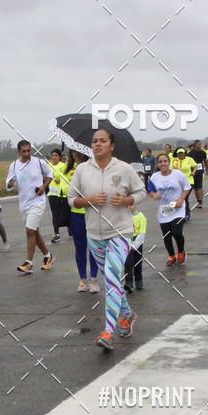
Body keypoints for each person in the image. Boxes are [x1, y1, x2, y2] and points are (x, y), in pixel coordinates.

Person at [67, 128, 145, 350]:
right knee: (111, 281)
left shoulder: (124, 168)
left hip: (120, 231)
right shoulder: (82, 170)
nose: (97, 144)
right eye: (94, 141)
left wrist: (127, 200)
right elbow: (71, 200)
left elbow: (141, 193)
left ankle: (108, 332)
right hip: (94, 234)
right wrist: (89, 199)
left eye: (102, 141)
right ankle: (127, 315)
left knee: (111, 279)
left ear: (112, 145)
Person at [6, 140, 54, 274]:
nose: (27, 153)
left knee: (29, 231)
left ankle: (28, 263)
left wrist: (44, 187)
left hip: (38, 201)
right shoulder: (14, 165)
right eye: (24, 151)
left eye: (29, 150)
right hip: (24, 203)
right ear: (18, 152)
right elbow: (9, 184)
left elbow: (50, 175)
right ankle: (48, 256)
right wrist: (10, 184)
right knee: (34, 231)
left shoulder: (39, 162)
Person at [61, 150, 99, 292]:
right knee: (80, 247)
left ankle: (94, 279)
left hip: (92, 212)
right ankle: (83, 279)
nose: (75, 153)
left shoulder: (93, 168)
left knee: (94, 246)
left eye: (78, 151)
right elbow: (65, 190)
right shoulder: (68, 169)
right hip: (76, 213)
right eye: (72, 151)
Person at [147, 153, 191, 266]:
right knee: (166, 235)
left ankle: (181, 252)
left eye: (165, 161)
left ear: (169, 162)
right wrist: (153, 195)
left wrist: (181, 199)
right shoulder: (154, 177)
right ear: (157, 164)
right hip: (164, 210)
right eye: (160, 161)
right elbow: (150, 190)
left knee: (176, 231)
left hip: (178, 208)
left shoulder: (177, 174)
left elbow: (187, 187)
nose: (163, 163)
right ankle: (171, 256)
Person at [124, 208, 147, 292]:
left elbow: (142, 233)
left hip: (137, 245)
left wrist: (135, 245)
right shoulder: (123, 216)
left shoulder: (141, 217)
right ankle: (129, 283)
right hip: (127, 244)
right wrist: (128, 244)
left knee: (138, 263)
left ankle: (139, 281)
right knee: (128, 263)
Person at [47, 149, 67, 243]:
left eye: (56, 156)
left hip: (62, 193)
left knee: (64, 212)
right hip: (52, 193)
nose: (54, 157)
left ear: (59, 157)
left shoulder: (63, 166)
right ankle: (57, 234)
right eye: (53, 155)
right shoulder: (48, 166)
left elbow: (67, 178)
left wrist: (60, 180)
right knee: (54, 214)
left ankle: (70, 229)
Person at [171, 148, 196, 220]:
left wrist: (193, 171)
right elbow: (170, 169)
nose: (181, 154)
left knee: (185, 197)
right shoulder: (174, 160)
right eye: (179, 153)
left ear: (184, 153)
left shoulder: (189, 159)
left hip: (189, 181)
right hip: (178, 182)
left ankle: (187, 214)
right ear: (177, 154)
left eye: (182, 153)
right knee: (178, 198)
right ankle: (179, 214)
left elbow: (195, 166)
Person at [187, 139, 208, 209]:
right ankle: (198, 201)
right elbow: (188, 162)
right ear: (195, 145)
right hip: (193, 171)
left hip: (200, 170)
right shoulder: (190, 153)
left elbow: (205, 161)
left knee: (200, 186)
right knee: (195, 187)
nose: (200, 145)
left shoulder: (203, 152)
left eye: (200, 144)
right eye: (198, 144)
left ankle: (200, 201)